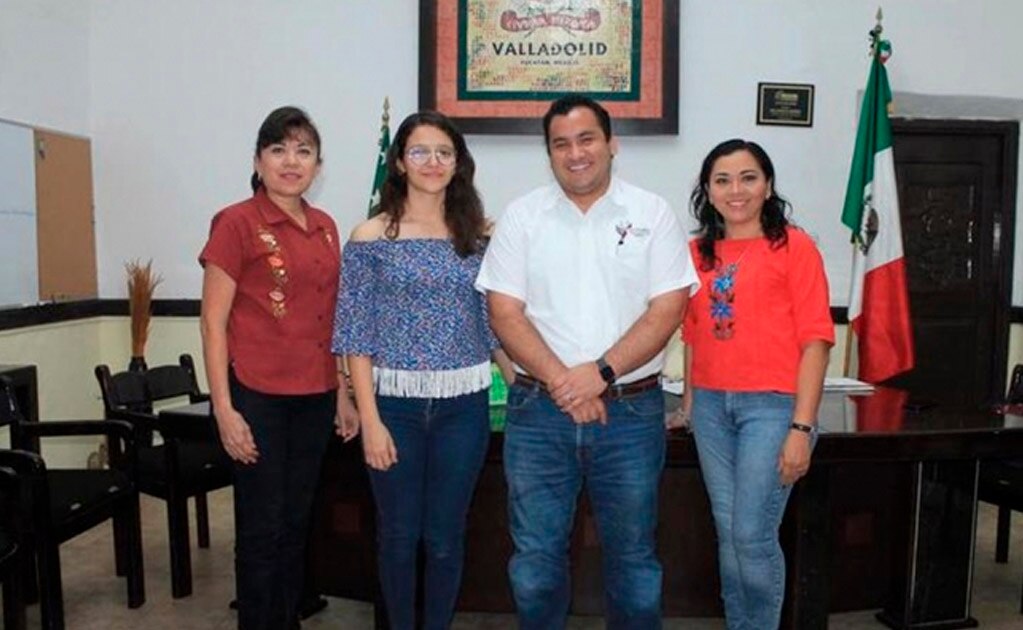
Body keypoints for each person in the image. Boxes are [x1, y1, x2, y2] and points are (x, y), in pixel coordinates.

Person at [476, 95, 700, 629]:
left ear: (611, 143)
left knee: (634, 561)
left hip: (630, 414)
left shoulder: (651, 213)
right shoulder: (522, 217)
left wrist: (598, 374)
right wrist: (565, 383)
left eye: (586, 139)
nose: (575, 153)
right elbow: (503, 312)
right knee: (535, 564)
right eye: (561, 144)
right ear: (549, 153)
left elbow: (668, 308)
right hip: (539, 413)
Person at [332, 110, 511, 630]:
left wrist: (520, 381)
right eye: (420, 151)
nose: (432, 162)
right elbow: (355, 333)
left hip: (464, 407)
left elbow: (489, 321)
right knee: (398, 535)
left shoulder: (477, 236)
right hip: (394, 408)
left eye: (443, 152)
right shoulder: (370, 236)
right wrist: (370, 421)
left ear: (458, 163)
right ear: (400, 162)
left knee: (445, 537)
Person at [199, 106, 359, 630]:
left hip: (315, 395)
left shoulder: (326, 227)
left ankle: (286, 619)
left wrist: (342, 393)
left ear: (318, 164)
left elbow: (330, 319)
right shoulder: (236, 222)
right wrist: (224, 410)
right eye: (278, 149)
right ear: (258, 161)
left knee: (297, 523)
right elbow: (212, 323)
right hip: (257, 396)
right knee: (261, 529)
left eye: (303, 151)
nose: (291, 161)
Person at [677, 138, 834, 629]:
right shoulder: (695, 253)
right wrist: (689, 402)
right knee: (729, 534)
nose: (736, 190)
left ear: (767, 186)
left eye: (748, 178)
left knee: (752, 534)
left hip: (773, 408)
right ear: (708, 190)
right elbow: (692, 332)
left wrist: (802, 428)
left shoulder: (795, 246)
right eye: (722, 180)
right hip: (710, 409)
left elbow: (817, 340)